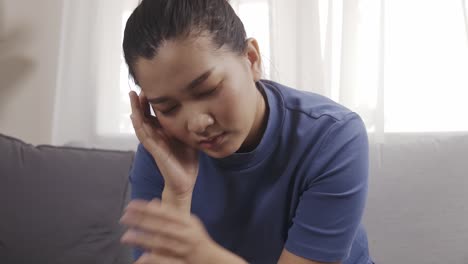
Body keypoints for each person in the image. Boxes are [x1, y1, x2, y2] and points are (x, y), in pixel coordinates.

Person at [119, 0, 374, 263]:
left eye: (208, 90)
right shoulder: (162, 152)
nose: (197, 123)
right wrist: (177, 193)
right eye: (169, 108)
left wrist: (201, 256)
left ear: (251, 59)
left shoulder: (332, 137)